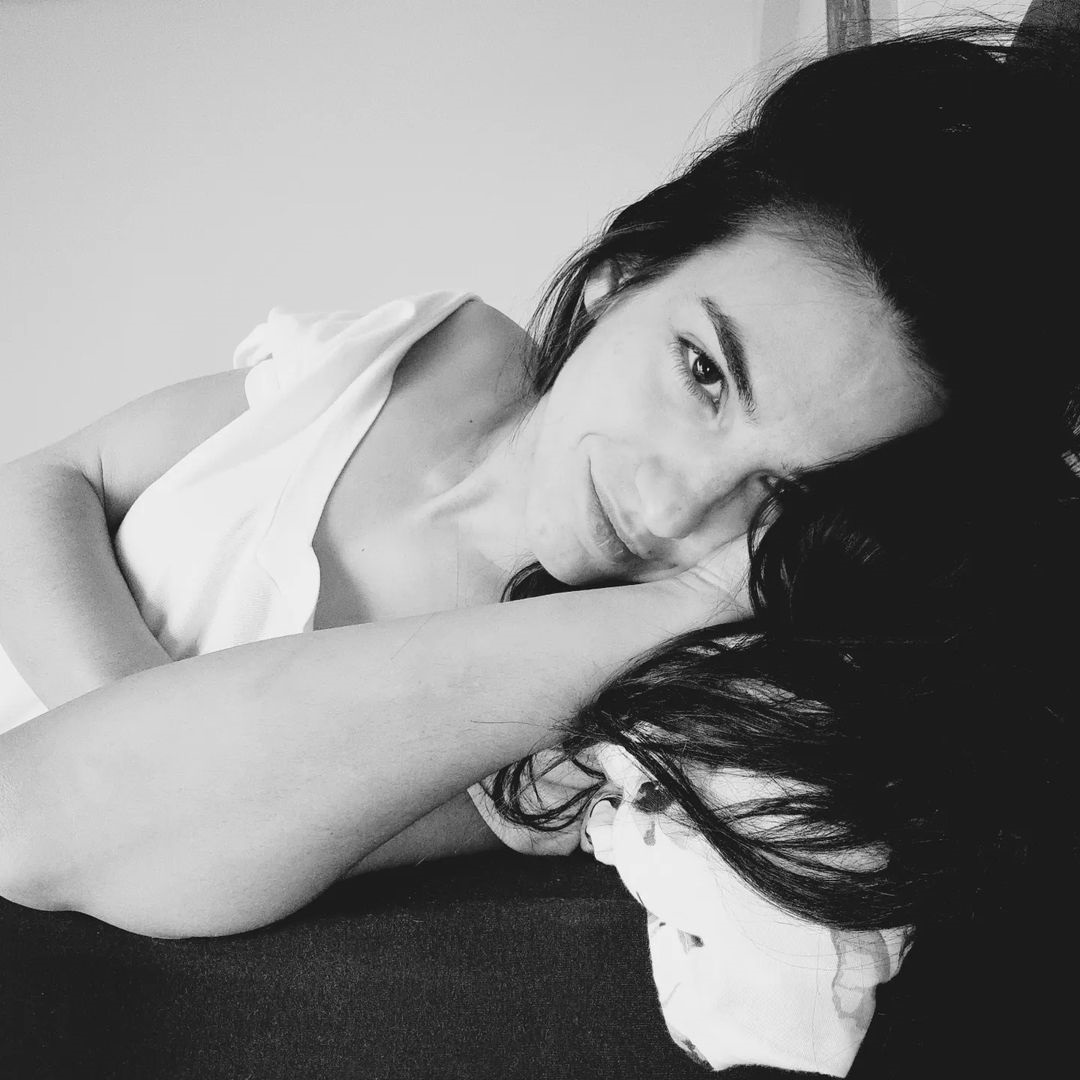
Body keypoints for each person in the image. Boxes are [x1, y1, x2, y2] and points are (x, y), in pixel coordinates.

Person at [0, 24, 1077, 944]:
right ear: (623, 274)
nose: (674, 507)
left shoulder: (586, 708)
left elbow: (45, 820)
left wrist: (691, 606)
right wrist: (136, 712)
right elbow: (47, 480)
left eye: (784, 491)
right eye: (703, 373)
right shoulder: (435, 350)